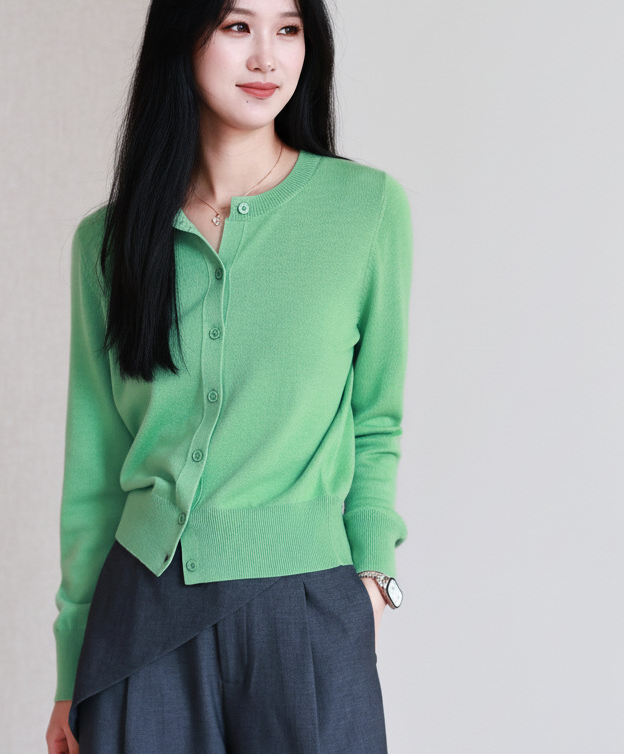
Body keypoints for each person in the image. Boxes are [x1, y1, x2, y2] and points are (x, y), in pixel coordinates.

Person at [46, 0, 413, 751]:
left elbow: (376, 421)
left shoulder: (366, 211)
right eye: (237, 26)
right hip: (140, 615)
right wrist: (69, 672)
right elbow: (93, 474)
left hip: (303, 607)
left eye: (289, 29)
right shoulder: (107, 245)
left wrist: (374, 577)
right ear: (184, 37)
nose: (266, 58)